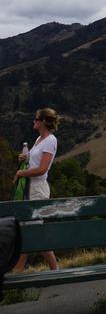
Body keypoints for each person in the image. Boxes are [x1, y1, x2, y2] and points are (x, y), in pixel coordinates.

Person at [12, 108, 60, 271]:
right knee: (30, 229)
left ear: (43, 122)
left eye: (36, 119)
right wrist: (24, 158)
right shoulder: (39, 139)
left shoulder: (50, 140)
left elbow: (42, 169)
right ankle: (54, 271)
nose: (34, 121)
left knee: (33, 231)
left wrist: (21, 172)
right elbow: (34, 161)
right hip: (29, 188)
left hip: (38, 189)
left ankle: (19, 271)